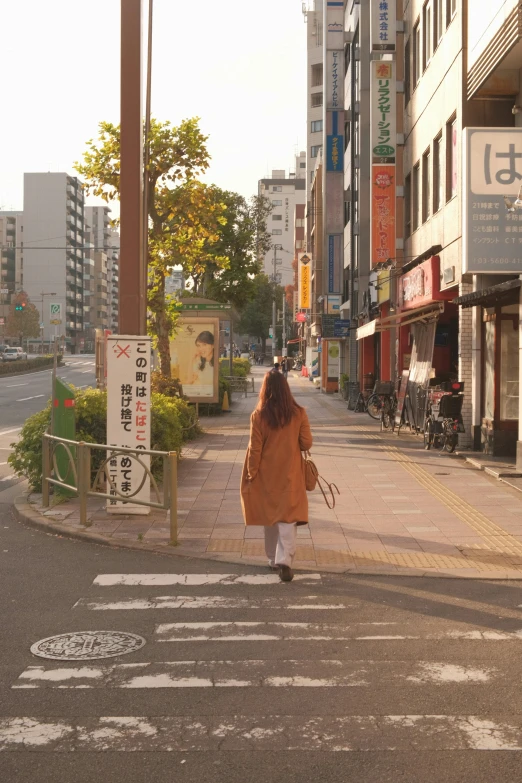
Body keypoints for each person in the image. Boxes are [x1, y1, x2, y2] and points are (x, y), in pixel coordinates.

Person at [240, 371, 313, 582]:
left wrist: (252, 472)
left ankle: (272, 559)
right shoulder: (298, 413)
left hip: (266, 474)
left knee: (270, 517)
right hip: (291, 474)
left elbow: (255, 449)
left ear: (266, 389)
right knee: (288, 518)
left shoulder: (258, 415)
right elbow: (306, 443)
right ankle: (285, 560)